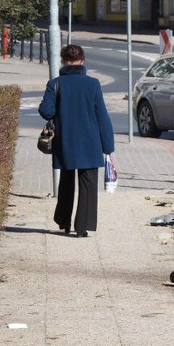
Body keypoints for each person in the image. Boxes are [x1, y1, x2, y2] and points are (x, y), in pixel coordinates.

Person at [38, 44, 114, 238]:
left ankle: (64, 221)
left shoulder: (55, 83)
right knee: (88, 184)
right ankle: (83, 227)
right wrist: (108, 147)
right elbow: (101, 116)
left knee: (66, 181)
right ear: (83, 61)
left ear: (63, 61)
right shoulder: (93, 84)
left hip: (66, 140)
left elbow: (46, 111)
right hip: (90, 141)